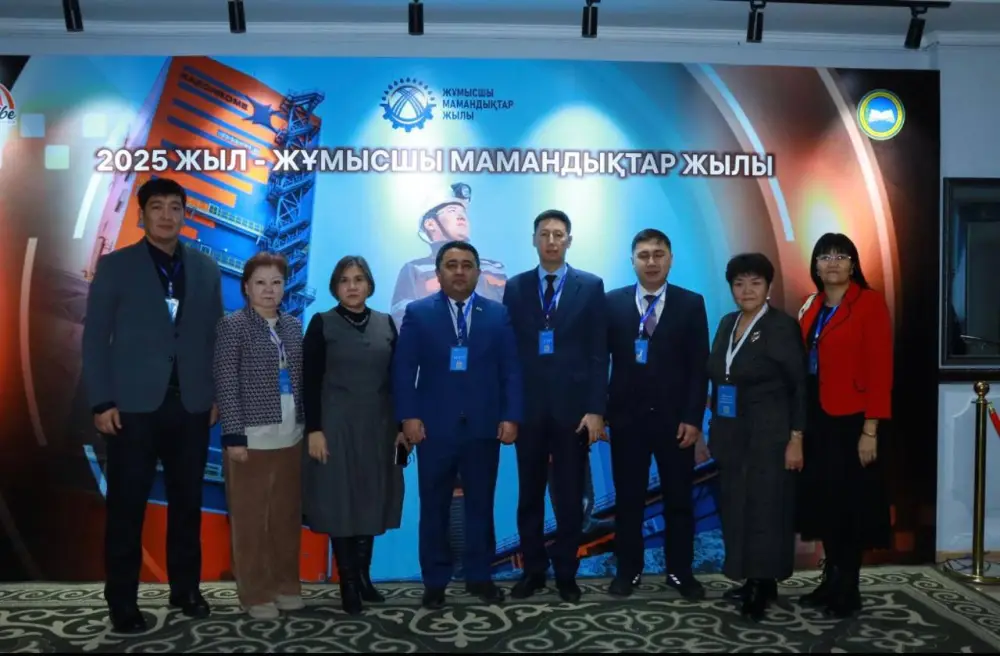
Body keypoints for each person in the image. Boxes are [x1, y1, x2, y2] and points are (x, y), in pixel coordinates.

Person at [81, 177, 222, 633]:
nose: (166, 215)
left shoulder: (206, 268)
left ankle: (186, 589)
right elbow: (94, 338)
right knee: (126, 508)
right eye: (157, 207)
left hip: (191, 406)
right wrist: (101, 399)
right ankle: (122, 601)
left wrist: (215, 394)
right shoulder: (116, 266)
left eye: (175, 207)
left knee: (187, 505)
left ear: (185, 214)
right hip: (132, 408)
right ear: (142, 215)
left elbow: (214, 336)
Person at [392, 240, 523, 609]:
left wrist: (511, 416)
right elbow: (404, 370)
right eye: (452, 265)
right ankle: (435, 581)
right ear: (439, 273)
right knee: (433, 507)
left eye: (467, 265)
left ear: (477, 272)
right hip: (433, 429)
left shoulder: (497, 314)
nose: (460, 271)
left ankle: (481, 577)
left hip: (484, 427)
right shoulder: (418, 312)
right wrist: (408, 417)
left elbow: (511, 370)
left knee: (481, 505)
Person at [502, 210, 607, 603]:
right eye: (544, 234)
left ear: (569, 241)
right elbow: (509, 356)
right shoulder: (515, 288)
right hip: (528, 413)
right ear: (534, 240)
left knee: (569, 498)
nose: (551, 241)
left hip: (573, 414)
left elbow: (598, 353)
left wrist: (596, 409)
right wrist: (509, 411)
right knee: (529, 496)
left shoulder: (590, 286)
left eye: (558, 234)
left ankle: (566, 573)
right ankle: (533, 571)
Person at [604, 229, 708, 600]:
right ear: (632, 261)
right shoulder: (612, 303)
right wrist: (601, 412)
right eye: (644, 255)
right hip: (627, 422)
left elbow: (699, 367)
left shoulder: (691, 303)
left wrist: (693, 419)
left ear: (670, 259)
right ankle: (628, 571)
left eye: (658, 254)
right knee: (628, 502)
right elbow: (598, 361)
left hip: (675, 423)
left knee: (679, 501)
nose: (651, 262)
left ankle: (680, 572)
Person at [796, 232, 893, 619]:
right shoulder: (811, 306)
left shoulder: (869, 303)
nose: (832, 262)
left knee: (851, 506)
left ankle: (848, 588)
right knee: (825, 504)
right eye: (825, 256)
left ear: (853, 264)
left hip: (853, 421)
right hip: (817, 419)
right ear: (815, 266)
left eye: (841, 256)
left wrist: (871, 429)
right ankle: (830, 579)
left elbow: (881, 369)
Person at [302, 255, 406, 615]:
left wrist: (400, 428)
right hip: (335, 428)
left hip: (378, 427)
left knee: (370, 499)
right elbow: (309, 381)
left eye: (358, 279)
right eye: (344, 280)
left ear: (369, 285)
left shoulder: (386, 324)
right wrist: (314, 430)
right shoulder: (322, 323)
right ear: (335, 287)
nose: (352, 286)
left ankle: (363, 577)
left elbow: (397, 381)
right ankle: (347, 582)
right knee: (340, 501)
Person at [706, 253, 807, 621]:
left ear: (768, 287)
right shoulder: (727, 323)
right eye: (739, 283)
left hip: (770, 434)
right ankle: (748, 577)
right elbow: (719, 376)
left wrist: (797, 438)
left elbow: (799, 386)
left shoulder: (781, 326)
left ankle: (764, 584)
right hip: (731, 435)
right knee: (737, 508)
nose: (746, 290)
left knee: (766, 509)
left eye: (755, 282)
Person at [213, 252, 305, 620]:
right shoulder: (232, 325)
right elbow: (225, 380)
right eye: (261, 283)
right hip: (251, 438)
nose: (269, 290)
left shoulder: (293, 327)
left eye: (277, 282)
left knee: (285, 519)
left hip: (291, 436)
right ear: (246, 288)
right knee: (251, 521)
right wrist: (233, 435)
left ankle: (286, 585)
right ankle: (254, 593)